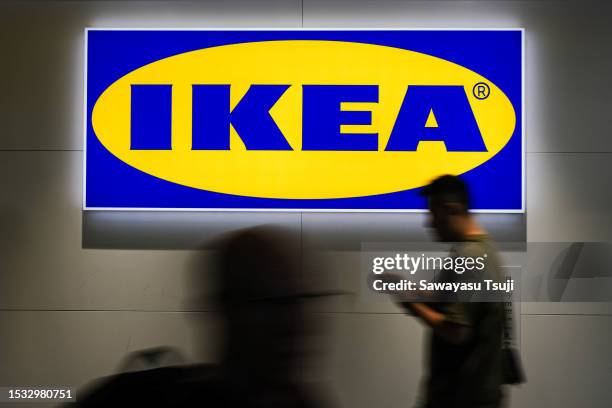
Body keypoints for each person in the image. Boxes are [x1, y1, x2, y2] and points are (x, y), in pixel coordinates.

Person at [400, 175, 506, 408]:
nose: (429, 223)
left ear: (452, 210)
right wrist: (409, 292)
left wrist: (410, 303)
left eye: (432, 213)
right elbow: (451, 302)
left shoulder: (469, 257)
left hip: (461, 397)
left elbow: (456, 330)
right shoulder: (485, 250)